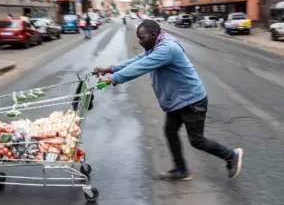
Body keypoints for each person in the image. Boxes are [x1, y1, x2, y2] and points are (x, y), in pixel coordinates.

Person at [94, 20, 243, 181]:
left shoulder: (166, 49)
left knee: (197, 140)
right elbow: (136, 61)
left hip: (192, 101)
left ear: (153, 35)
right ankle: (181, 170)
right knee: (170, 131)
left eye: (142, 38)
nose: (140, 41)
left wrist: (112, 79)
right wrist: (110, 69)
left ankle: (231, 155)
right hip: (178, 101)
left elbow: (141, 67)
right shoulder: (156, 46)